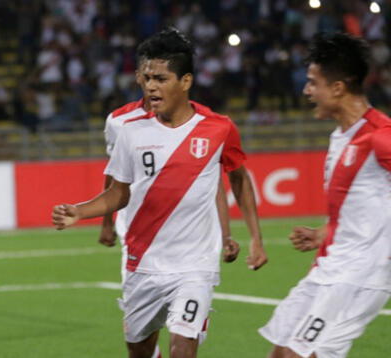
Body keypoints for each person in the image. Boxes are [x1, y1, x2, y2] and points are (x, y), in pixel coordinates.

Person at [53, 29, 267, 358]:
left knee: (183, 347)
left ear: (186, 81)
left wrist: (253, 237)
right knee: (139, 351)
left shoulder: (218, 128)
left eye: (161, 78)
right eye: (147, 77)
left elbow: (235, 180)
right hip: (143, 261)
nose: (151, 85)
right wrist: (82, 212)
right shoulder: (129, 130)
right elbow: (117, 190)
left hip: (195, 264)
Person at [259, 32, 391, 358]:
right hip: (330, 266)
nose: (306, 91)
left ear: (337, 88)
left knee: (301, 355)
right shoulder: (340, 137)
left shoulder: (379, 136)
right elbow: (362, 205)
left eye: (312, 83)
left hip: (361, 273)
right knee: (280, 352)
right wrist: (324, 232)